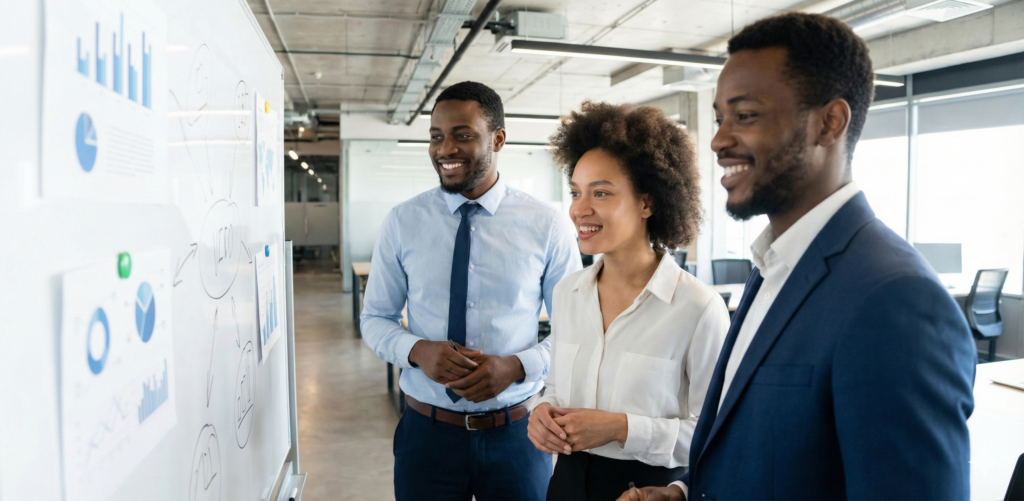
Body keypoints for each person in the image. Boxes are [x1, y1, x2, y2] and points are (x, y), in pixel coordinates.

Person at [618, 12, 975, 501]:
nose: (719, 140)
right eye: (720, 117)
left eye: (745, 115)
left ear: (829, 123)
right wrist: (685, 493)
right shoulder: (773, 267)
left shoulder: (895, 300)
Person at [360, 81, 582, 501]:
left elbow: (574, 335)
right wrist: (417, 350)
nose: (446, 149)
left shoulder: (546, 226)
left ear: (498, 138)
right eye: (436, 136)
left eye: (463, 135)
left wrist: (518, 366)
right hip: (427, 437)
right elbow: (374, 319)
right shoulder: (403, 221)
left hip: (518, 435)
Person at [528, 101, 730, 501]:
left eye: (600, 193)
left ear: (647, 203)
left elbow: (718, 436)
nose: (578, 209)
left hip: (646, 491)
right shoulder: (567, 292)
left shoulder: (697, 307)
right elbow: (556, 387)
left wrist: (621, 427)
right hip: (566, 482)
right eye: (575, 192)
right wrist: (540, 410)